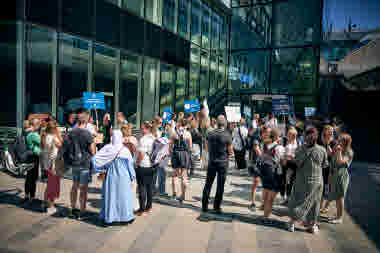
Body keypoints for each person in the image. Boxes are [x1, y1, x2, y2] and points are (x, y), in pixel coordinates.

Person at [287, 127, 329, 234]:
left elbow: (296, 163)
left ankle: (292, 222)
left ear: (306, 137)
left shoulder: (301, 149)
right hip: (317, 181)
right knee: (314, 204)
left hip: (302, 180)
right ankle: (312, 225)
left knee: (297, 200)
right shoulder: (322, 150)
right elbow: (325, 165)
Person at [92, 129, 136, 226]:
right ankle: (125, 217)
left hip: (111, 176)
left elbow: (95, 159)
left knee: (111, 196)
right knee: (123, 197)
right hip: (124, 177)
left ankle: (109, 217)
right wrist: (132, 176)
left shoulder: (108, 148)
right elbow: (130, 165)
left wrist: (101, 169)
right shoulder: (125, 150)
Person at [65, 113, 96, 220]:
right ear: (86, 122)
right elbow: (93, 151)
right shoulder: (87, 134)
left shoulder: (71, 132)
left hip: (74, 163)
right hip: (85, 163)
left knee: (74, 185)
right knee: (83, 188)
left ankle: (73, 208)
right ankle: (82, 211)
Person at [202, 115, 233, 214]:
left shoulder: (210, 133)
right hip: (223, 163)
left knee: (208, 184)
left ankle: (204, 206)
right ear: (224, 123)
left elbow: (206, 148)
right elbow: (231, 151)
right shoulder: (227, 135)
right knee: (220, 186)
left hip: (212, 162)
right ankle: (216, 206)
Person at [323, 133, 354, 224]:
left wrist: (339, 151)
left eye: (340, 140)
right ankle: (337, 216)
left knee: (340, 197)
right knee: (336, 196)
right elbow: (330, 154)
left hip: (342, 175)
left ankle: (339, 217)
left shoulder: (349, 152)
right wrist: (327, 144)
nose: (338, 141)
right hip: (334, 174)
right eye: (338, 139)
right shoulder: (337, 147)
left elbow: (340, 162)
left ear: (346, 142)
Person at [258, 128, 285, 224]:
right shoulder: (279, 148)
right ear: (278, 137)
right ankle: (266, 217)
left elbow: (261, 157)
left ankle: (264, 214)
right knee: (270, 198)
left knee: (265, 194)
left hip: (265, 173)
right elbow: (281, 162)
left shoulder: (264, 145)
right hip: (275, 174)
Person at [41, 121, 63, 214]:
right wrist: (58, 135)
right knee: (53, 185)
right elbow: (61, 145)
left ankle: (44, 202)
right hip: (53, 164)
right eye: (57, 127)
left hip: (48, 163)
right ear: (54, 129)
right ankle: (51, 206)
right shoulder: (53, 137)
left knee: (49, 184)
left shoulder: (45, 136)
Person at [135, 121, 155, 215]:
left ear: (147, 129)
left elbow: (141, 154)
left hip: (143, 165)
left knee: (141, 187)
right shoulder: (154, 138)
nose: (141, 130)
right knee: (149, 187)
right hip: (151, 165)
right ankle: (149, 207)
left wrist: (137, 164)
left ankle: (142, 209)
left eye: (142, 128)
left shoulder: (143, 139)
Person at [170, 119, 192, 203]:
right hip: (185, 154)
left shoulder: (174, 133)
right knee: (184, 176)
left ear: (179, 124)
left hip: (176, 154)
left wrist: (172, 153)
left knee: (175, 175)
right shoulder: (188, 134)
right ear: (186, 125)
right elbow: (190, 147)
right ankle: (183, 195)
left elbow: (170, 146)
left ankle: (174, 194)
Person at [319, 125, 336, 213]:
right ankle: (320, 205)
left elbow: (331, 154)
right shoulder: (320, 140)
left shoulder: (333, 142)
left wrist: (328, 143)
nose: (330, 134)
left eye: (331, 132)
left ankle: (326, 206)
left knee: (328, 188)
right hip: (320, 167)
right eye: (329, 132)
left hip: (329, 168)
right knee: (320, 187)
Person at [280, 127, 300, 205]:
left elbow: (298, 152)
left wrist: (293, 157)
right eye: (291, 134)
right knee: (283, 180)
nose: (293, 136)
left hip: (293, 163)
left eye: (294, 135)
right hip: (285, 162)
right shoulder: (284, 141)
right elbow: (280, 151)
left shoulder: (297, 142)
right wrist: (284, 157)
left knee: (290, 181)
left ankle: (288, 197)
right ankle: (282, 197)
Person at [24, 118, 42, 203]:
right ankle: (32, 197)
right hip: (33, 156)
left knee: (28, 177)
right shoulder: (33, 134)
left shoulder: (25, 131)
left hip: (28, 156)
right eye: (38, 125)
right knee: (33, 177)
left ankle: (27, 195)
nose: (39, 127)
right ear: (35, 125)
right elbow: (42, 142)